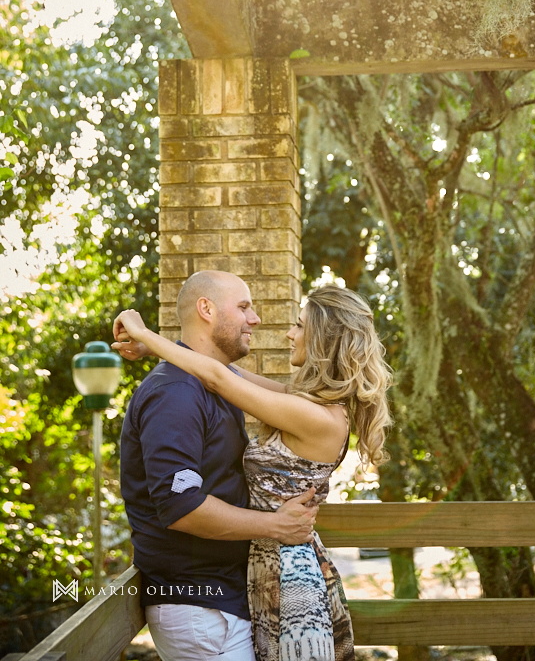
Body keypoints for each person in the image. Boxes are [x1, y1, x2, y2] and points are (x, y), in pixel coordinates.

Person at [113, 274, 392, 661]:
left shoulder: (316, 416)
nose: (287, 332)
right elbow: (224, 373)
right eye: (244, 307)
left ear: (323, 340)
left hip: (286, 572)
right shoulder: (307, 404)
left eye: (299, 326)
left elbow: (218, 377)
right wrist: (157, 349)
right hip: (239, 582)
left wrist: (146, 334)